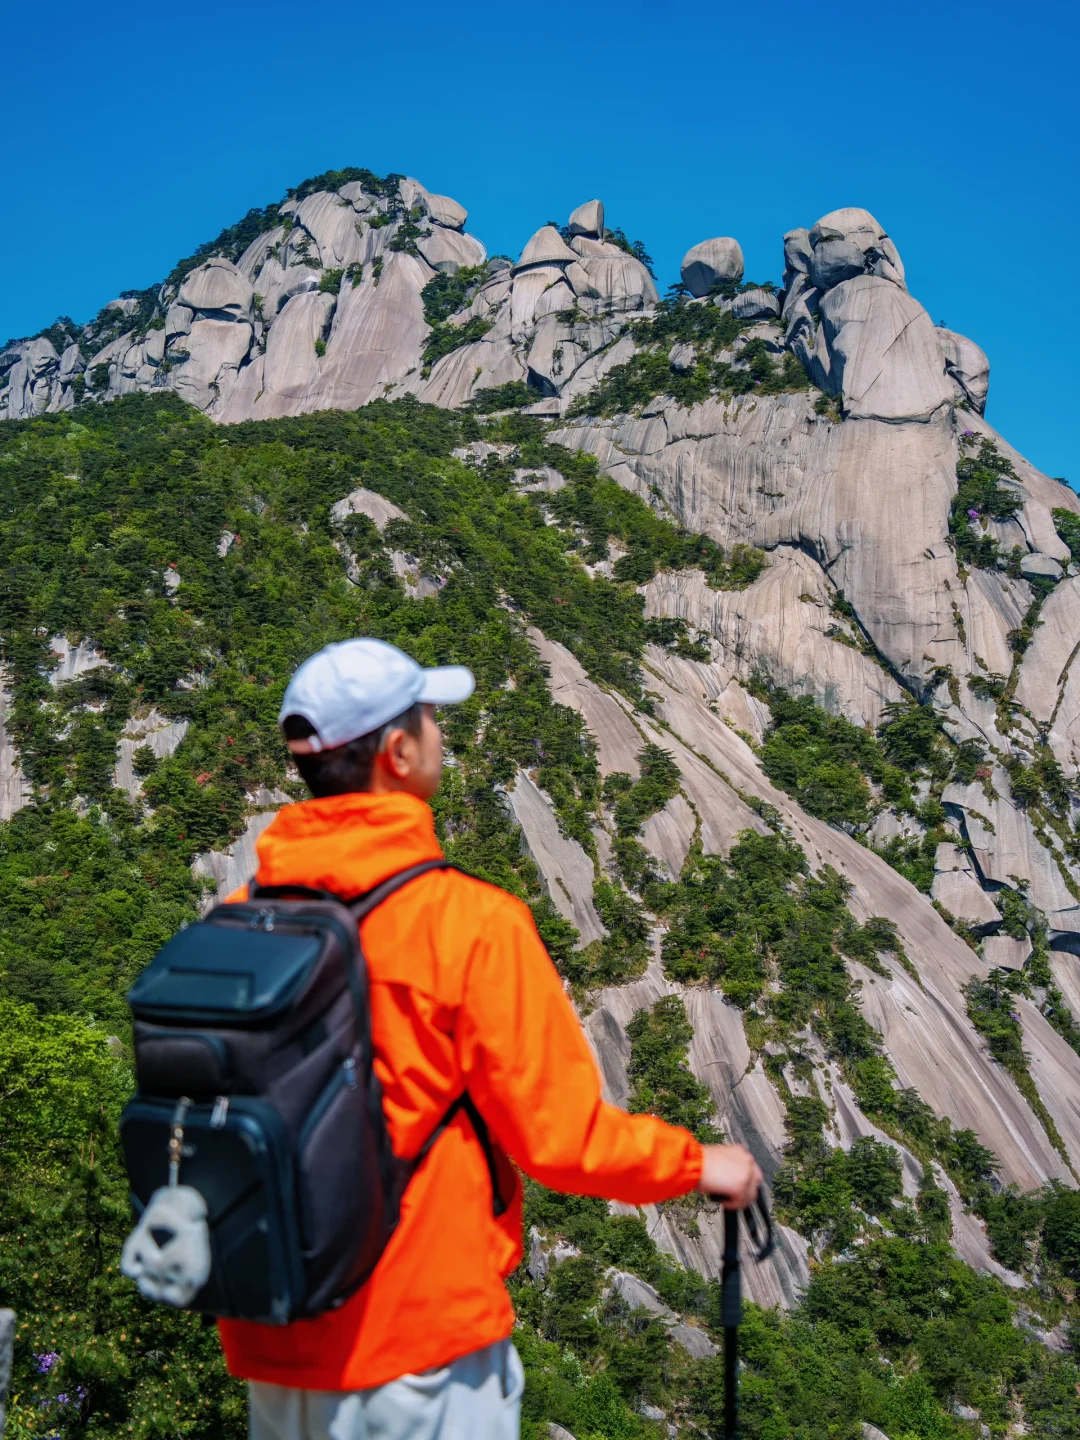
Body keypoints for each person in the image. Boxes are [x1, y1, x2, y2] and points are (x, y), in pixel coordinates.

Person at [219, 637, 763, 1440]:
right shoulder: (466, 925)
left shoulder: (237, 915)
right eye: (430, 717)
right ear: (399, 752)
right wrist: (700, 1163)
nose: (442, 732)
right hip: (419, 1352)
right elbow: (562, 1142)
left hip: (276, 1344)